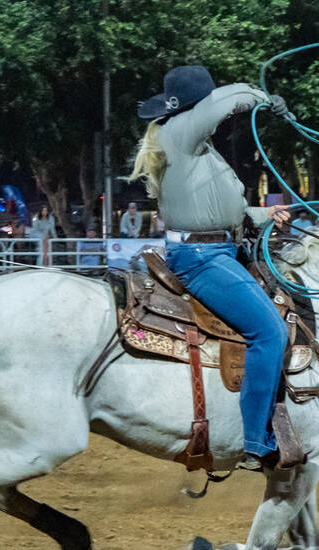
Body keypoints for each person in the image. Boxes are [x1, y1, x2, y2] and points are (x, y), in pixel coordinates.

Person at [128, 64, 296, 468]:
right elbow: (224, 101)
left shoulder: (190, 145)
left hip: (216, 250)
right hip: (203, 259)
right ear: (195, 104)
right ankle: (255, 442)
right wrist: (262, 99)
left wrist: (263, 215)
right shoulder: (180, 131)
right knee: (269, 332)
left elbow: (217, 210)